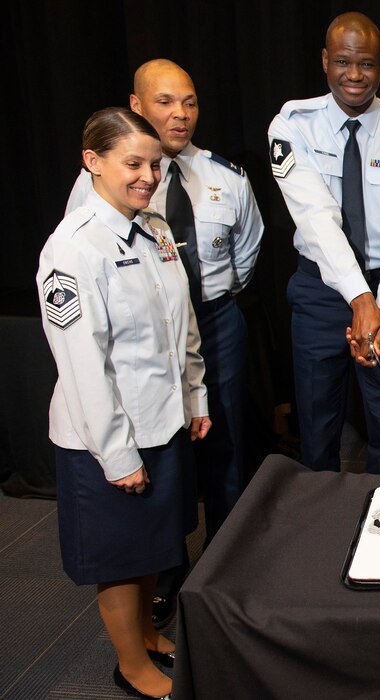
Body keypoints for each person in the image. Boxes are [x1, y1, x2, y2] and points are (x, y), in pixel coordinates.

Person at [66, 59, 265, 626]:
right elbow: (88, 302)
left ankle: (225, 565)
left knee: (219, 442)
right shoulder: (95, 191)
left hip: (211, 319)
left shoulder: (224, 174)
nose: (179, 114)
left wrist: (200, 310)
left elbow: (247, 252)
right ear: (136, 105)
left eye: (190, 102)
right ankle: (165, 576)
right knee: (155, 465)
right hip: (135, 333)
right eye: (165, 102)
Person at [39, 107, 210, 700]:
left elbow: (178, 322)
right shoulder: (73, 250)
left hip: (161, 422)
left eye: (154, 164)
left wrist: (195, 394)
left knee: (152, 543)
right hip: (106, 436)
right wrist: (116, 455)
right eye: (132, 163)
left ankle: (144, 636)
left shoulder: (157, 229)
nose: (148, 176)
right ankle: (129, 665)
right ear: (93, 162)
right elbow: (82, 365)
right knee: (117, 555)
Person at [268, 11, 380, 473]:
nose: (355, 75)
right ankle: (320, 520)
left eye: (366, 64)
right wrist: (357, 297)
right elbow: (317, 220)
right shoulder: (292, 126)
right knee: (317, 418)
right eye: (343, 62)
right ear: (325, 61)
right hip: (321, 290)